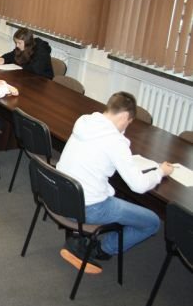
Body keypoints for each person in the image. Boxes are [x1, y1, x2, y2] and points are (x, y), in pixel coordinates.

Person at [56, 92, 174, 274]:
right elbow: (139, 186)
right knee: (152, 222)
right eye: (129, 122)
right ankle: (99, 249)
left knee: (117, 194)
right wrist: (160, 172)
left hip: (60, 195)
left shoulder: (85, 121)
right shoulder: (115, 142)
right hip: (88, 207)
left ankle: (83, 239)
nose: (127, 126)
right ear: (125, 116)